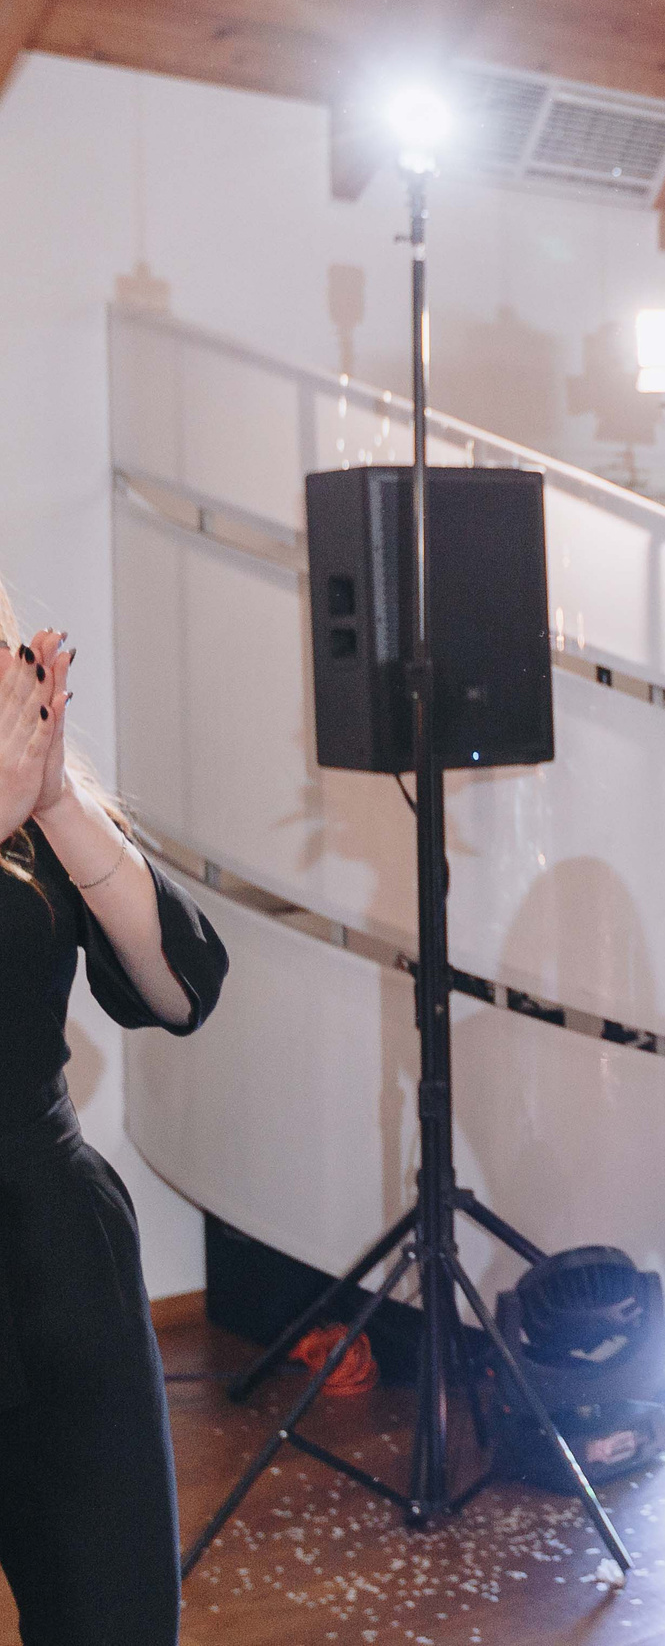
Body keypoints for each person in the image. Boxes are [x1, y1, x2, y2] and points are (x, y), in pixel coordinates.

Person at [0, 587, 227, 1645]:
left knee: (113, 1615)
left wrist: (53, 803)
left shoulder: (33, 798)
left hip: (53, 1244)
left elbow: (179, 989)